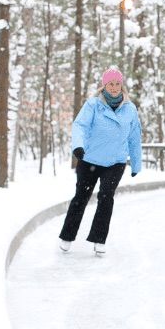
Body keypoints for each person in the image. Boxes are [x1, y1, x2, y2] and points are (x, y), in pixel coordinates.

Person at [58, 67, 142, 256]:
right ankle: (67, 235)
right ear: (104, 85)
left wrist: (136, 163)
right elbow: (80, 125)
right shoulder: (93, 105)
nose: (114, 87)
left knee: (106, 198)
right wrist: (78, 146)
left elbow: (135, 137)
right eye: (110, 84)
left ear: (122, 85)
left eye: (117, 84)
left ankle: (98, 239)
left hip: (115, 162)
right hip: (89, 160)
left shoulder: (129, 109)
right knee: (81, 197)